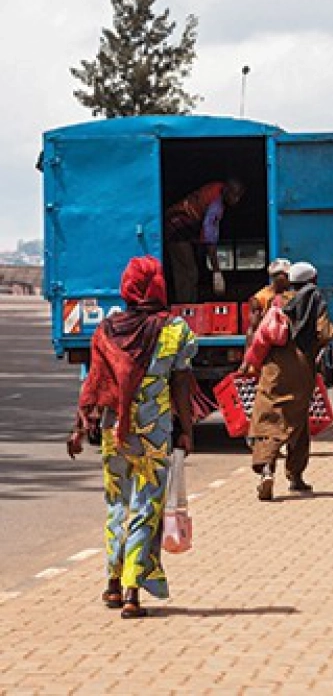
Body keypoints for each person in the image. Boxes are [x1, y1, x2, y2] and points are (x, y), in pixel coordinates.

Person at [66, 256, 196, 619]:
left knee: (117, 505)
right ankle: (132, 592)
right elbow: (181, 385)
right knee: (145, 508)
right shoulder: (175, 331)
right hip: (155, 434)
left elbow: (93, 382)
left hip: (114, 431)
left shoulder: (107, 330)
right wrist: (187, 430)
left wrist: (79, 427)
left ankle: (112, 582)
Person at [247, 261, 333, 501]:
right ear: (312, 280)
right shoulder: (315, 300)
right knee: (298, 420)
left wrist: (251, 363)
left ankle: (266, 469)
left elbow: (261, 334)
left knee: (268, 417)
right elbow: (324, 333)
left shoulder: (276, 301)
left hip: (274, 366)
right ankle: (295, 476)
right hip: (302, 366)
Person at [164, 178, 245, 304]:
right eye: (235, 195)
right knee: (188, 271)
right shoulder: (216, 205)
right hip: (177, 228)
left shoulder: (216, 188)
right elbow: (209, 237)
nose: (237, 200)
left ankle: (189, 302)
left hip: (184, 228)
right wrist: (217, 271)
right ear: (227, 191)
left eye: (239, 196)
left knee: (189, 270)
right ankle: (186, 306)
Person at [245, 258, 291, 347]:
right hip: (269, 343)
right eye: (287, 276)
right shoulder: (260, 297)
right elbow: (253, 326)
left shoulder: (291, 296)